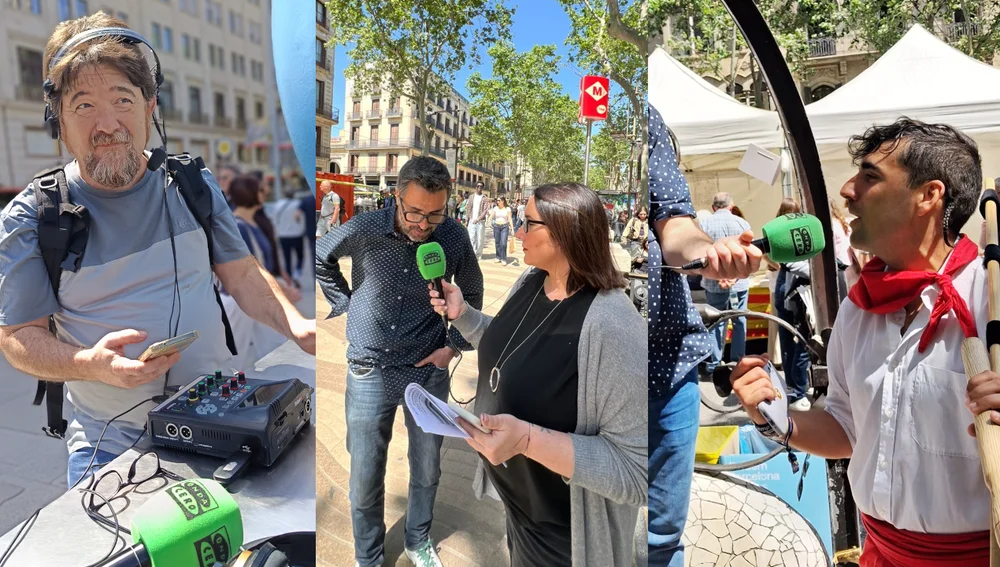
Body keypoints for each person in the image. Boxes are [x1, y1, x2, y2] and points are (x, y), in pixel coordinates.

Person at [0, 14, 315, 487]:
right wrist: (89, 365)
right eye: (83, 105)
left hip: (222, 421)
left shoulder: (193, 184)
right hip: (109, 442)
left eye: (123, 99)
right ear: (57, 120)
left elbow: (243, 275)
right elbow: (17, 336)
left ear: (150, 107)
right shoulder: (32, 215)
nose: (108, 124)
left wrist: (296, 325)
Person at [730, 118, 998, 566]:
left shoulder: (990, 298)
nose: (848, 190)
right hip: (880, 554)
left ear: (929, 195)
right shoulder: (860, 307)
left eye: (870, 176)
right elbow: (848, 428)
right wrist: (776, 417)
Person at [428, 183, 646, 566]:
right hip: (519, 513)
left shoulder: (613, 325)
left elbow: (637, 472)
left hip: (565, 540)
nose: (516, 233)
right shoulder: (532, 280)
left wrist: (528, 441)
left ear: (564, 231)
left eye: (528, 223)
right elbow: (513, 347)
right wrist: (462, 315)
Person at [316, 156, 485, 567]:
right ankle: (368, 556)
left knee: (427, 469)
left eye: (435, 214)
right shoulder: (365, 227)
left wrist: (452, 347)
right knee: (365, 476)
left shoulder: (453, 236)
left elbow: (473, 293)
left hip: (427, 370)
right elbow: (321, 255)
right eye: (414, 212)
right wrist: (347, 303)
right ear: (397, 196)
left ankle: (418, 539)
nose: (423, 224)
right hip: (368, 368)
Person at [647, 103, 761, 565]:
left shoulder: (647, 119)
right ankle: (719, 363)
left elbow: (675, 227)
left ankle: (716, 363)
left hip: (668, 366)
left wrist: (711, 250)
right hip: (594, 367)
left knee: (662, 537)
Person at [224, 176, 300, 369]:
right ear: (250, 194)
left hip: (255, 296)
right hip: (242, 300)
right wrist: (283, 289)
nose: (265, 193)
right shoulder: (238, 226)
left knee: (274, 347)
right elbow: (250, 269)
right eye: (260, 190)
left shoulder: (250, 222)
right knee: (235, 357)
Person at [699, 192, 753, 375]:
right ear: (731, 206)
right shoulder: (742, 223)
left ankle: (714, 364)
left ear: (713, 207)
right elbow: (748, 254)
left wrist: (719, 275)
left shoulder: (704, 225)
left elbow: (700, 254)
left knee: (716, 322)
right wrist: (733, 277)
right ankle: (738, 361)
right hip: (739, 283)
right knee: (739, 321)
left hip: (713, 283)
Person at [767, 199, 812, 411]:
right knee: (800, 340)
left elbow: (773, 259)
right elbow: (790, 263)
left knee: (788, 341)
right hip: (793, 291)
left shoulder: (775, 230)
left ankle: (793, 387)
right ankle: (797, 390)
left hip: (784, 288)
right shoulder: (791, 231)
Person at [274, 188, 306, 280]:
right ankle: (297, 271)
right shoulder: (298, 204)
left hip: (283, 235)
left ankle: (289, 276)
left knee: (287, 257)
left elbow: (275, 220)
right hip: (297, 234)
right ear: (294, 194)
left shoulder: (278, 204)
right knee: (300, 255)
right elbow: (302, 218)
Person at [487, 195, 515, 265]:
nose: (497, 202)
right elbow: (491, 216)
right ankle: (498, 257)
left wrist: (512, 229)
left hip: (505, 227)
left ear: (503, 201)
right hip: (496, 226)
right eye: (497, 200)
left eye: (499, 200)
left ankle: (503, 258)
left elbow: (509, 218)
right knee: (497, 243)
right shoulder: (495, 208)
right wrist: (488, 221)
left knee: (503, 243)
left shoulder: (507, 209)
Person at [467, 182, 488, 259]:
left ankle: (478, 254)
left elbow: (485, 210)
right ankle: (473, 254)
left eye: (481, 186)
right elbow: (468, 208)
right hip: (471, 221)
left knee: (479, 239)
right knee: (471, 238)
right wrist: (467, 219)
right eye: (478, 186)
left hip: (480, 222)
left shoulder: (484, 198)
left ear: (482, 188)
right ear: (476, 187)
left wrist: (478, 219)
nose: (479, 187)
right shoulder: (471, 197)